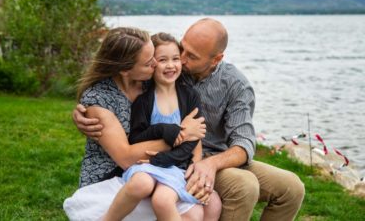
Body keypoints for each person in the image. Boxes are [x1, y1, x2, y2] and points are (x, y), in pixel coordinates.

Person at [73, 18, 306, 221]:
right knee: (244, 186)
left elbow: (244, 143)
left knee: (292, 188)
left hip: (214, 156)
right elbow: (126, 69)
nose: (181, 60)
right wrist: (83, 113)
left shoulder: (235, 84)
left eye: (190, 56)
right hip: (177, 156)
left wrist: (209, 164)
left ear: (216, 59)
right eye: (181, 49)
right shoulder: (162, 69)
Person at [63, 27, 207, 221]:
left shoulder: (148, 80)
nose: (156, 64)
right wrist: (182, 134)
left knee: (197, 211)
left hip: (154, 172)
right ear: (125, 69)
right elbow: (125, 158)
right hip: (111, 177)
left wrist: (195, 159)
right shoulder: (100, 98)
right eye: (150, 62)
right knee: (166, 200)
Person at [103, 33, 221, 221]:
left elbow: (193, 139)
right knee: (143, 184)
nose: (171, 65)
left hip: (174, 165)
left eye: (175, 59)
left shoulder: (190, 96)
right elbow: (136, 138)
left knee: (168, 200)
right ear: (152, 64)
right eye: (163, 60)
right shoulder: (144, 100)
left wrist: (164, 159)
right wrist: (164, 130)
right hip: (147, 167)